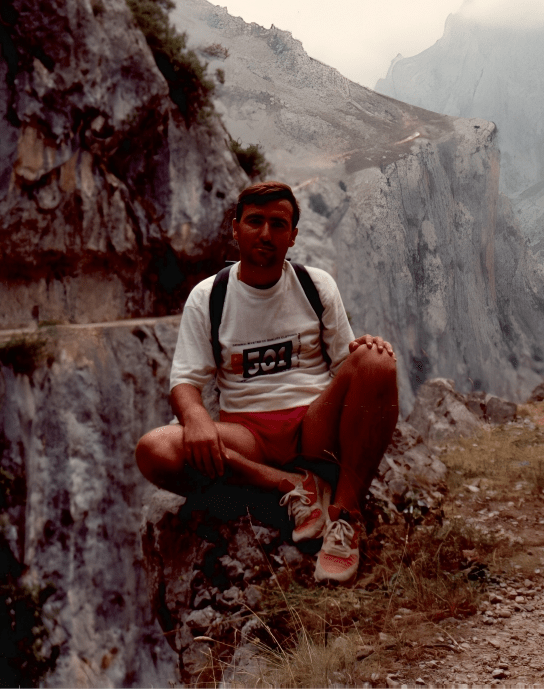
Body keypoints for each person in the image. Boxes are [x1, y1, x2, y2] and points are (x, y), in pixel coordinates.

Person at [136, 181, 399, 584]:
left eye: (278, 224)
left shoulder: (315, 286)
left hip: (313, 427)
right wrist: (196, 417)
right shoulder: (209, 296)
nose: (265, 234)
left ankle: (345, 516)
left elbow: (347, 365)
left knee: (378, 361)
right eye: (254, 221)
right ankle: (289, 485)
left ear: (292, 236)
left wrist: (369, 353)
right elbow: (185, 380)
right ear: (235, 228)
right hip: (248, 436)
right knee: (154, 449)